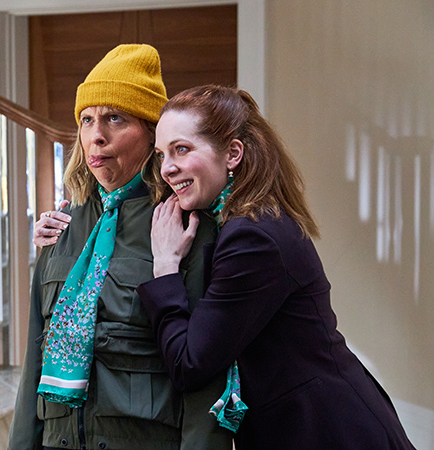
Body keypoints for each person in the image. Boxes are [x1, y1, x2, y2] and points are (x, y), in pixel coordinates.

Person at [137, 84, 415, 449]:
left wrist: (166, 267)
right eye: (161, 154)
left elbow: (190, 363)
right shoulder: (248, 219)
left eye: (182, 149)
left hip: (327, 431)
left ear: (233, 153)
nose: (168, 168)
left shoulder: (252, 238)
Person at [9, 44, 232, 450]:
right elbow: (33, 366)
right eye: (87, 119)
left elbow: (206, 380)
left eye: (116, 118)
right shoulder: (61, 226)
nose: (97, 135)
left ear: (152, 134)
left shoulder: (186, 228)